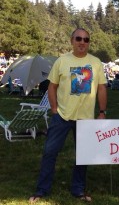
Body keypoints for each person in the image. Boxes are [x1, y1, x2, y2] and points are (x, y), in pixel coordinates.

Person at [29, 28, 107, 203]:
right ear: (72, 40)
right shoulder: (62, 61)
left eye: (86, 40)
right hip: (62, 116)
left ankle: (78, 189)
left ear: (89, 43)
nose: (82, 42)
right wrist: (54, 109)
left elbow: (102, 87)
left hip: (86, 119)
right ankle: (42, 189)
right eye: (78, 38)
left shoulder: (95, 63)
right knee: (50, 152)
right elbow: (52, 86)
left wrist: (102, 111)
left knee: (83, 155)